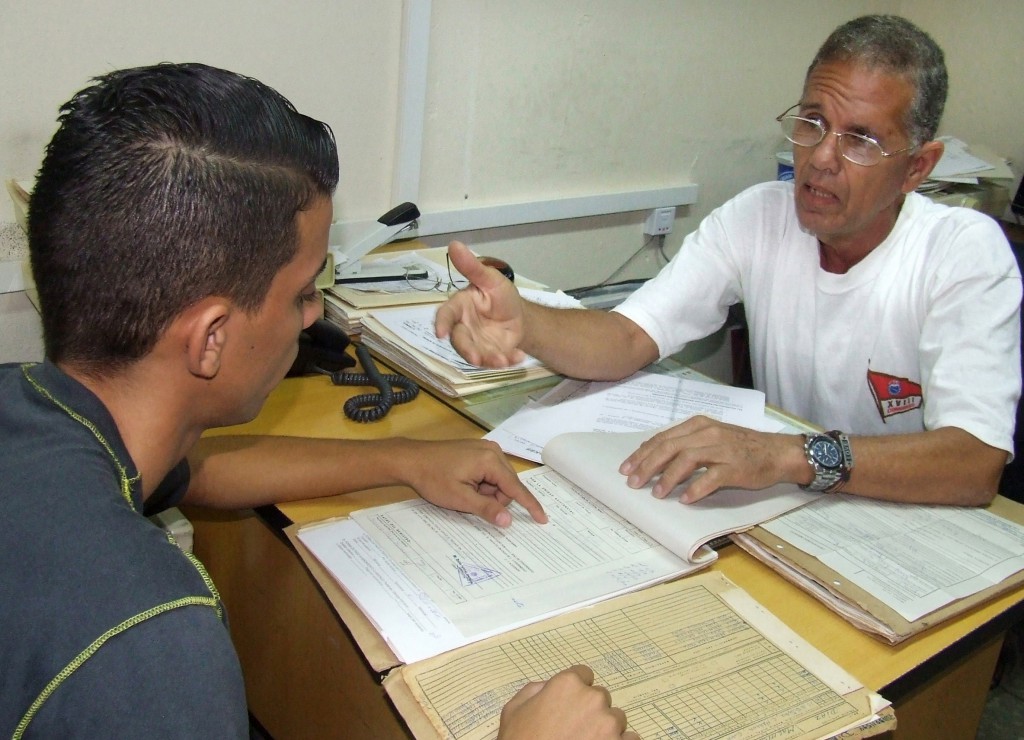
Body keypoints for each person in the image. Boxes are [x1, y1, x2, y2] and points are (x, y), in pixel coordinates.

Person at [0, 63, 637, 739]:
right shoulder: (150, 643)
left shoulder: (38, 410)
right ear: (211, 337)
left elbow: (197, 472)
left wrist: (404, 459)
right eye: (305, 292)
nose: (313, 317)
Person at [437, 14, 1022, 508]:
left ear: (918, 167)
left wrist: (787, 455)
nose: (821, 157)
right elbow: (626, 338)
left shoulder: (962, 251)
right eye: (814, 123)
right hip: (787, 511)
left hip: (908, 525)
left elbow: (975, 464)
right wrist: (525, 320)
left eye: (860, 140)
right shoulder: (759, 216)